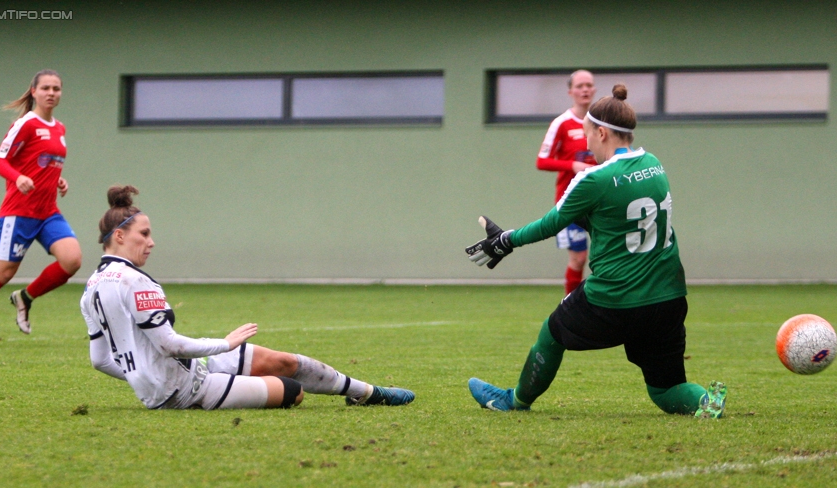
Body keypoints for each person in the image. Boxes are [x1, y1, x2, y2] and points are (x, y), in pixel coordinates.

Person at [464, 85, 727, 419]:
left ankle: (515, 400)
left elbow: (552, 223)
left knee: (552, 332)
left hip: (614, 299)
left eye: (588, 135)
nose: (587, 143)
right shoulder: (655, 165)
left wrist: (506, 241)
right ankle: (706, 402)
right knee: (665, 390)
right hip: (668, 299)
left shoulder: (594, 179)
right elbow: (615, 221)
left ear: (602, 132)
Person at [80, 185, 416, 410]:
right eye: (145, 234)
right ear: (120, 236)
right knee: (293, 391)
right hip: (184, 390)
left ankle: (367, 393)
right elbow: (171, 346)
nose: (151, 242)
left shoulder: (91, 286)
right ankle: (366, 393)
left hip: (181, 374)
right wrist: (224, 344)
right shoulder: (135, 281)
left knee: (284, 361)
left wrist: (141, 374)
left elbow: (100, 360)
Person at [0, 69, 81, 347]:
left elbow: (45, 162)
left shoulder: (60, 128)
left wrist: (59, 180)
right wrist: (17, 176)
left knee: (72, 260)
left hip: (48, 212)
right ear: (34, 92)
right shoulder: (26, 124)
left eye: (56, 88)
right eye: (45, 88)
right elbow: (0, 161)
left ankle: (25, 297)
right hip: (18, 212)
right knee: (3, 273)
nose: (51, 93)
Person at [536, 70, 598, 295]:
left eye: (589, 85)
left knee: (604, 258)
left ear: (594, 90)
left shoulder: (600, 122)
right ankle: (569, 306)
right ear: (570, 91)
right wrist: (572, 166)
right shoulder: (561, 123)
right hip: (571, 201)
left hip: (600, 201)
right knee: (579, 258)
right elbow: (541, 161)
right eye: (580, 86)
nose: (585, 89)